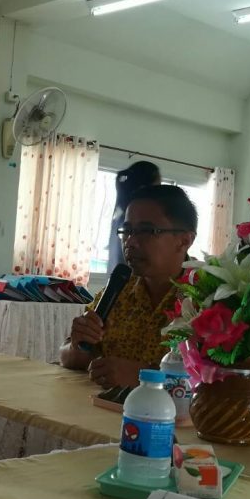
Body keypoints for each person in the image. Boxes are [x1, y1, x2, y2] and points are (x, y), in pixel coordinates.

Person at [61, 184, 196, 389]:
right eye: (127, 231)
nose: (130, 242)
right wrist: (78, 346)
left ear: (184, 241)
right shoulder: (119, 289)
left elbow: (224, 383)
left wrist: (145, 378)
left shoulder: (209, 299)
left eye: (146, 231)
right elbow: (67, 356)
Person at [107, 160, 161, 270]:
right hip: (129, 277)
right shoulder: (134, 218)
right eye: (157, 186)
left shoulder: (121, 212)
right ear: (143, 187)